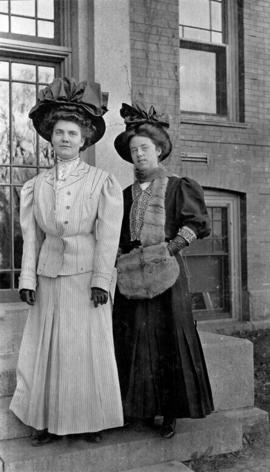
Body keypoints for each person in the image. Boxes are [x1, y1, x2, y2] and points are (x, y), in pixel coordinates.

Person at [10, 77, 124, 446]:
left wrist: (101, 281)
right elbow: (33, 237)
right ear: (50, 136)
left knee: (85, 347)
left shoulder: (101, 182)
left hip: (86, 275)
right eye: (59, 132)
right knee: (47, 348)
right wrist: (28, 278)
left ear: (84, 138)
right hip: (48, 275)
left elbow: (108, 238)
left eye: (72, 133)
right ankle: (44, 421)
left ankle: (90, 421)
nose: (65, 139)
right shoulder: (35, 187)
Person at [113, 103, 214, 439]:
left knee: (167, 339)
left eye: (145, 148)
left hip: (168, 275)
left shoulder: (177, 186)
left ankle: (169, 412)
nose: (139, 155)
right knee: (133, 340)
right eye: (134, 150)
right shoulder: (125, 194)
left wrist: (165, 251)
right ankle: (136, 409)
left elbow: (196, 226)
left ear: (158, 150)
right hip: (131, 275)